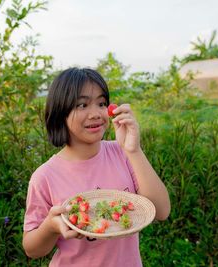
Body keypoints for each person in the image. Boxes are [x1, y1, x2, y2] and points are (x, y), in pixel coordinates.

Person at [22, 67, 170, 266]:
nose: (96, 114)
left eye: (101, 103)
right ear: (60, 112)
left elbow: (161, 211)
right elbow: (32, 249)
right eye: (82, 105)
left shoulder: (122, 153)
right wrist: (50, 226)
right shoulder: (45, 176)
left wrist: (134, 150)